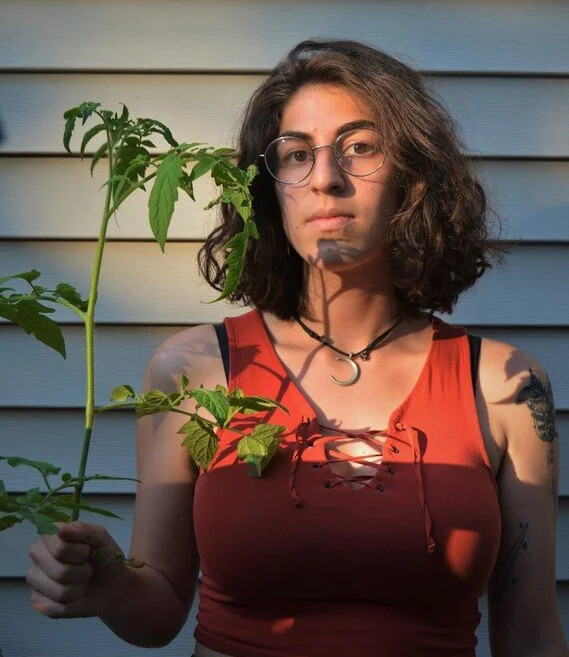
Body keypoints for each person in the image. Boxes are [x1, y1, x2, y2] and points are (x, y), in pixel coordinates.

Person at [26, 40, 567, 656]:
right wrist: (107, 586)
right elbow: (157, 614)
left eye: (360, 148)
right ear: (269, 187)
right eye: (296, 154)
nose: (326, 179)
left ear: (413, 178)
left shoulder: (505, 386)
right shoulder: (194, 370)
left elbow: (532, 640)